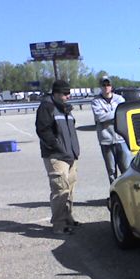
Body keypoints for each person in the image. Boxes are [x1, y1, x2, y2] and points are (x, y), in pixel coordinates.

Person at [35, 80, 80, 235]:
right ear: (55, 94)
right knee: (60, 189)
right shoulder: (47, 107)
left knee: (70, 188)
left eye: (69, 93)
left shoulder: (66, 108)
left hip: (70, 155)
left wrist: (74, 151)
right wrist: (56, 146)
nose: (68, 96)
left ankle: (68, 217)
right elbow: (43, 130)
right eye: (65, 94)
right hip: (56, 155)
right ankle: (59, 224)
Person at [91, 75, 133, 184]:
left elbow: (124, 113)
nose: (106, 87)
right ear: (100, 86)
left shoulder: (119, 99)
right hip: (106, 141)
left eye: (108, 84)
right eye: (103, 85)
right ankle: (113, 194)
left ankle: (126, 194)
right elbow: (99, 117)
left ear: (111, 86)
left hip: (121, 139)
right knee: (111, 171)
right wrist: (116, 113)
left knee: (127, 169)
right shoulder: (96, 101)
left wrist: (109, 115)